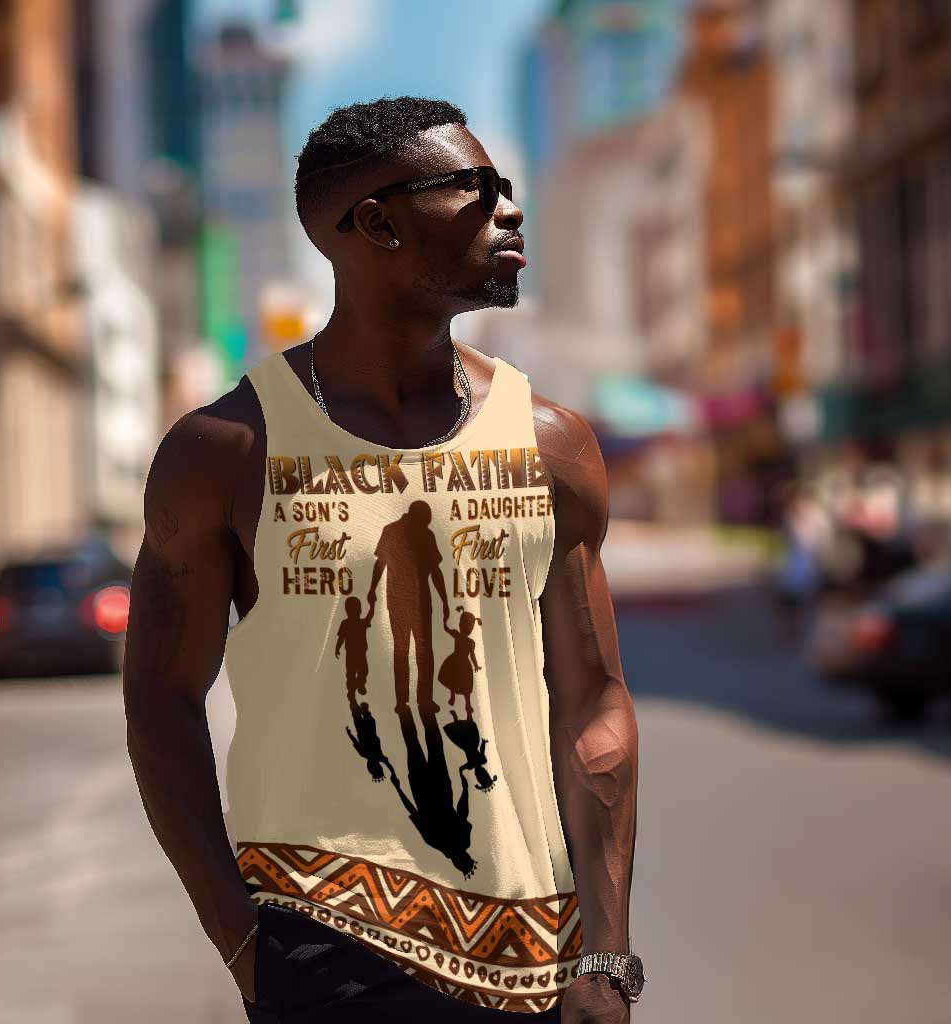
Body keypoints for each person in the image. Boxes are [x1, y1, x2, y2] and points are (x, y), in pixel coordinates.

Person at [124, 96, 641, 1022]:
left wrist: (605, 950)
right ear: (376, 223)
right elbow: (161, 699)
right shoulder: (229, 448)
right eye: (477, 190)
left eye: (509, 188)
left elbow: (594, 699)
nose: (508, 210)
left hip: (537, 963)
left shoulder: (551, 443)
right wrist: (244, 945)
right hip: (321, 944)